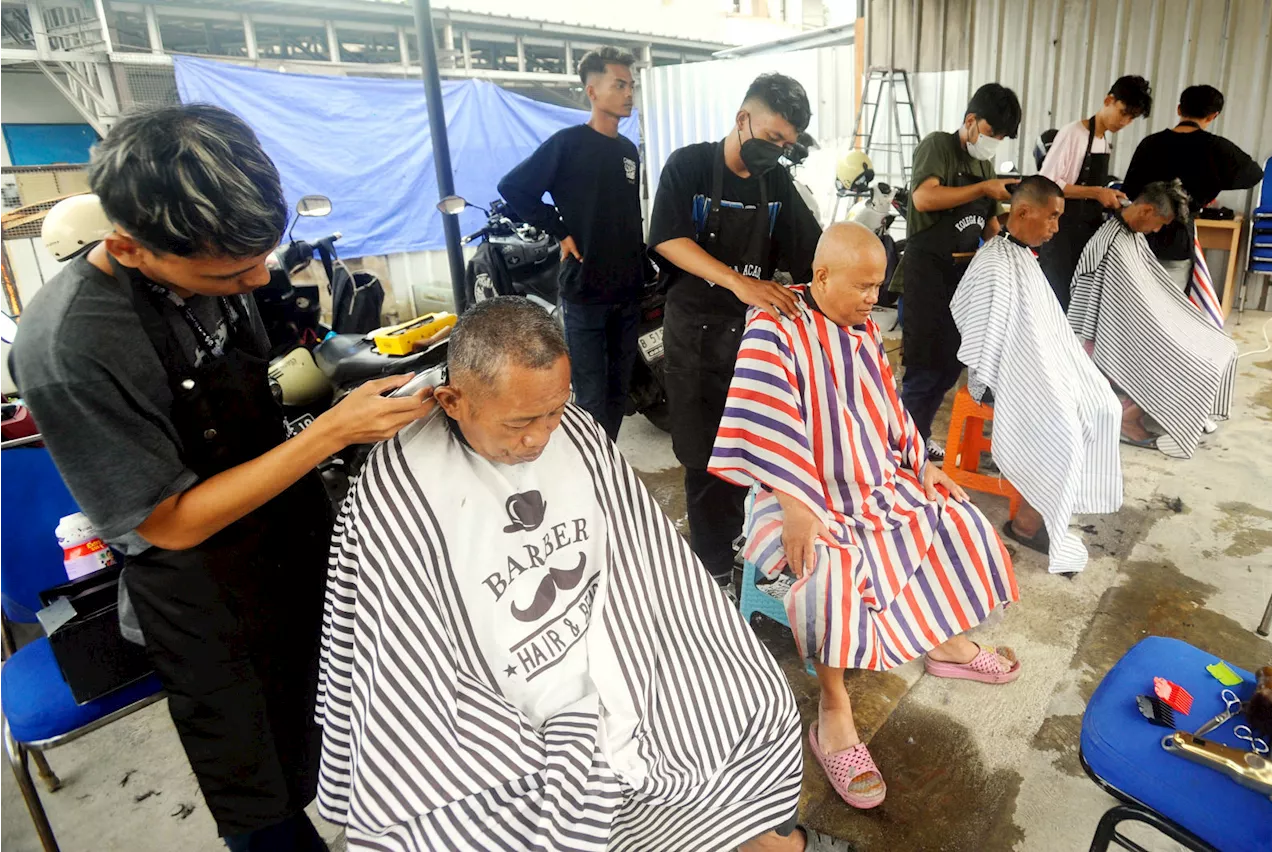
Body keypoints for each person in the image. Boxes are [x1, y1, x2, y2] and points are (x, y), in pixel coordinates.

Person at [9, 105, 434, 850]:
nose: (255, 278)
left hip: (294, 541)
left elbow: (276, 362)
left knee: (365, 722)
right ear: (128, 248)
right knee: (259, 788)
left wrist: (354, 374)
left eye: (260, 257)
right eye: (231, 274)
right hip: (207, 600)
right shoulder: (70, 347)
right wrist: (331, 433)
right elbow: (166, 521)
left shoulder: (226, 256)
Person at [314, 297, 847, 852]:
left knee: (753, 700)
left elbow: (647, 561)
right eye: (520, 423)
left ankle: (756, 839)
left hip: (615, 637)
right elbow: (405, 659)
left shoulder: (578, 432)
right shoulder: (399, 488)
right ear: (452, 400)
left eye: (554, 412)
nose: (541, 438)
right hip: (495, 690)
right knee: (467, 819)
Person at [710, 223, 1021, 810]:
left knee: (954, 518)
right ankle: (834, 708)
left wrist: (924, 460)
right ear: (821, 276)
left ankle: (946, 645)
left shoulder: (863, 331)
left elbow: (888, 405)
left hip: (873, 480)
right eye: (865, 286)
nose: (874, 299)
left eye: (879, 286)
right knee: (827, 570)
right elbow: (765, 420)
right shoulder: (775, 326)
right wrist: (799, 505)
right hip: (795, 495)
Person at [648, 73, 823, 597]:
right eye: (772, 138)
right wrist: (739, 281)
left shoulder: (778, 187)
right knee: (706, 461)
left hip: (754, 343)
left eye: (788, 145)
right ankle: (710, 572)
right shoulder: (690, 165)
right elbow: (667, 239)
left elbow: (810, 253)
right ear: (742, 118)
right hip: (696, 336)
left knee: (763, 451)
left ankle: (756, 547)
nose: (778, 151)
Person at [952, 176, 1123, 574]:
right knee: (1064, 426)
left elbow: (1040, 327)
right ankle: (1027, 524)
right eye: (1052, 217)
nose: (1056, 227)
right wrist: (1012, 372)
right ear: (1024, 211)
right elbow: (976, 327)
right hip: (1000, 375)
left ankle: (1052, 508)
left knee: (1102, 405)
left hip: (1031, 365)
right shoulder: (995, 262)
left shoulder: (1022, 256)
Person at [497, 47, 646, 440]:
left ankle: (606, 461)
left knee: (618, 393)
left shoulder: (629, 151)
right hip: (587, 293)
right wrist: (560, 230)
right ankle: (589, 469)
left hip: (627, 293)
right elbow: (514, 187)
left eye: (631, 85)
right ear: (592, 92)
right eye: (619, 85)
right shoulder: (567, 145)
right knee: (591, 398)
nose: (629, 93)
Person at [893, 83, 1022, 463]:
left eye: (1000, 138)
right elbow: (924, 197)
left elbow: (985, 223)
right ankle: (901, 450)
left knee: (949, 367)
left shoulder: (983, 164)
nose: (993, 143)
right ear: (970, 121)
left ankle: (918, 437)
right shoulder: (938, 146)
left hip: (962, 277)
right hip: (927, 274)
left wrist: (1011, 233)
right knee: (923, 369)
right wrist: (985, 186)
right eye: (991, 133)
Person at [1069, 180, 1237, 458]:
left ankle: (1155, 410)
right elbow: (1088, 307)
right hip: (1109, 337)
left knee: (1220, 347)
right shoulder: (1108, 242)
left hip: (1133, 328)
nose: (1157, 230)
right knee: (1194, 363)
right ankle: (1127, 417)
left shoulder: (1130, 236)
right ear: (1146, 210)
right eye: (1159, 223)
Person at [1122, 84, 1264, 288]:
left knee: (1134, 299)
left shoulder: (1151, 144)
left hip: (1140, 235)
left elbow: (1130, 189)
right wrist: (1214, 183)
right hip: (1178, 239)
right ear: (1213, 116)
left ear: (1179, 109)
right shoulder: (1217, 148)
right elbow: (1254, 174)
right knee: (1172, 305)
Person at [1038, 75, 1153, 309]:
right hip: (1061, 234)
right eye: (1123, 112)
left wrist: (1108, 196)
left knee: (1079, 302)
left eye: (1131, 118)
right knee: (1058, 302)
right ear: (1108, 100)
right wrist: (1096, 193)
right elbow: (1046, 184)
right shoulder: (1073, 134)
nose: (1125, 122)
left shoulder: (1103, 141)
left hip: (1086, 234)